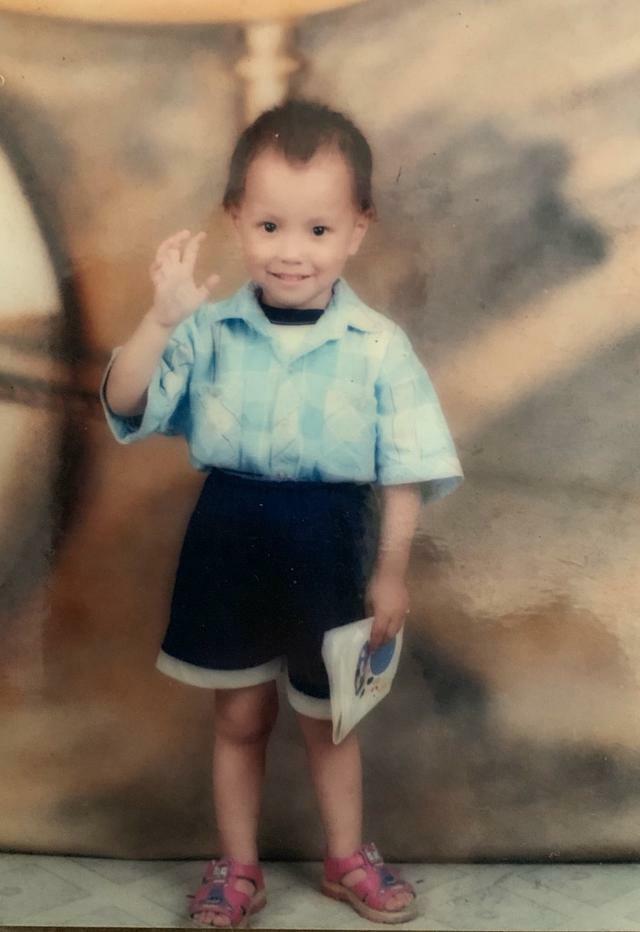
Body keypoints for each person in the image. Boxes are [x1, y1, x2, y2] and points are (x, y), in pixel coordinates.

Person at [101, 99, 463, 928]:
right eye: (269, 226)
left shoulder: (379, 346)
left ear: (357, 230)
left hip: (332, 540)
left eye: (317, 230)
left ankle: (344, 859)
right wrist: (160, 320)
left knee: (331, 721)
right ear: (236, 219)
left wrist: (391, 573)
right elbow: (125, 403)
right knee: (239, 715)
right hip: (229, 535)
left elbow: (406, 470)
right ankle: (237, 869)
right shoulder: (205, 331)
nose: (291, 251)